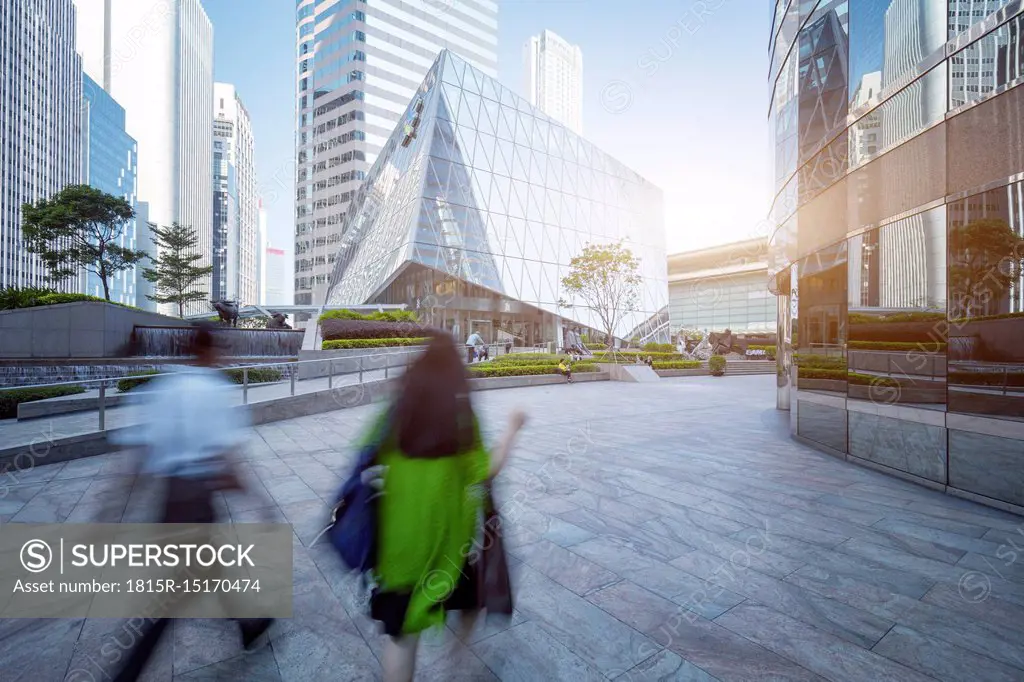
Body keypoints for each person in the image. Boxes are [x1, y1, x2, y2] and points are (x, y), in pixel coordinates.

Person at [107, 323, 275, 681]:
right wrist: (259, 501)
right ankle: (127, 670)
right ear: (210, 352)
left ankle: (251, 623)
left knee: (207, 565)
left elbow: (135, 457)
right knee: (173, 593)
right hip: (197, 498)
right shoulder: (214, 391)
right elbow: (228, 458)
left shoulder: (162, 388)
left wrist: (109, 512)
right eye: (220, 352)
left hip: (170, 498)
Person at [365, 333, 527, 682]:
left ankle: (453, 656)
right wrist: (513, 428)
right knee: (470, 599)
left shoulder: (397, 411)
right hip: (450, 548)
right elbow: (487, 469)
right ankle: (460, 659)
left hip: (399, 547)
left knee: (402, 635)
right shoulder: (462, 416)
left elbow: (367, 452)